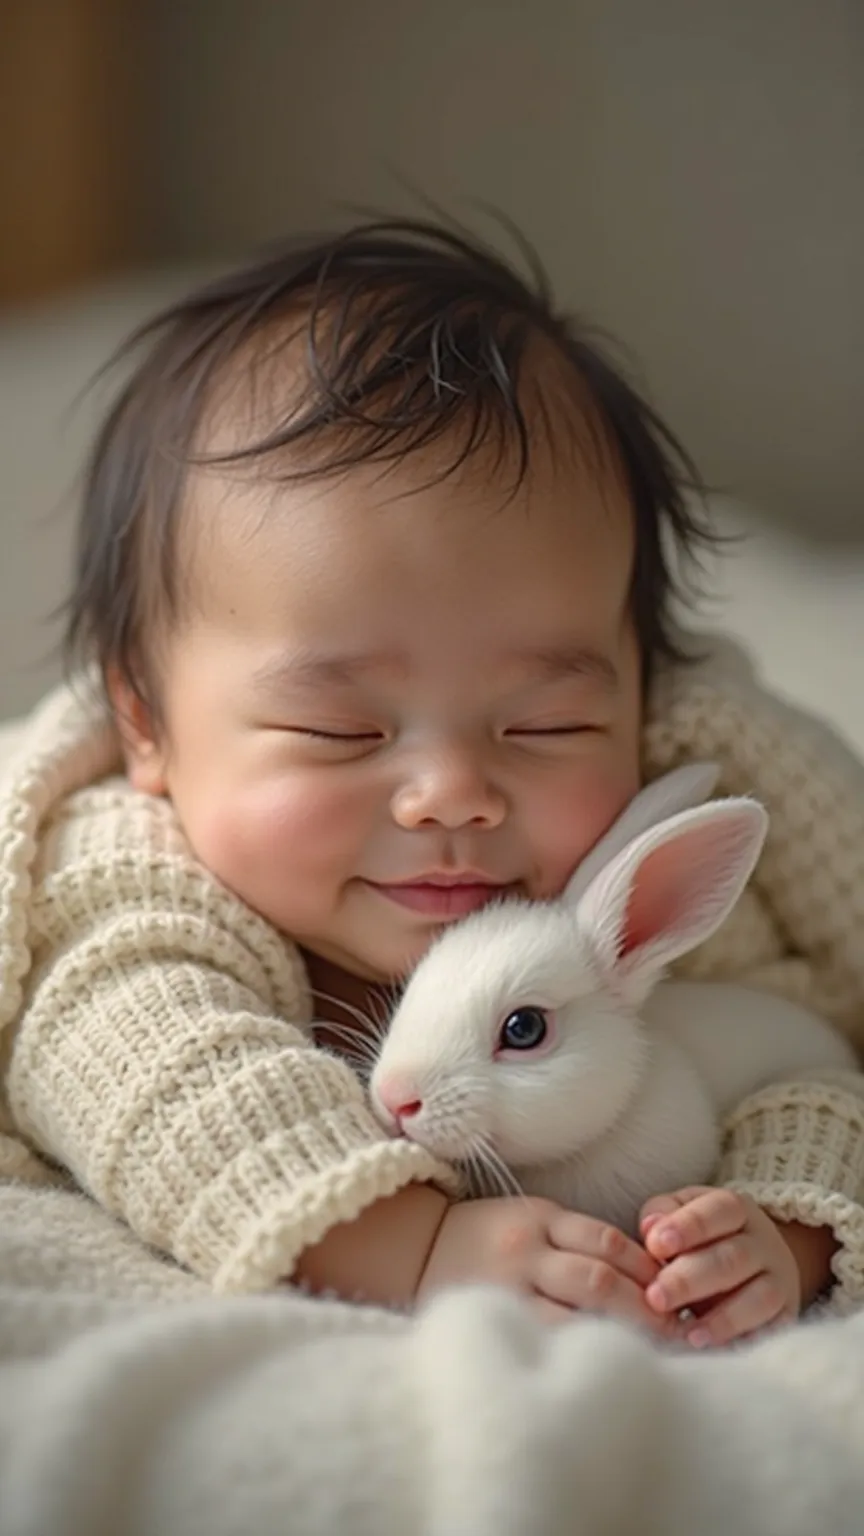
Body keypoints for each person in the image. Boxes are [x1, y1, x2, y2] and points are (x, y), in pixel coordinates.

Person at [1, 218, 863, 1357]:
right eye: (340, 727)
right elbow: (162, 1077)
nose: (452, 795)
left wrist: (782, 1228)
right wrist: (417, 1251)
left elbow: (812, 1061)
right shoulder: (130, 883)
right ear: (148, 727)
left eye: (548, 722)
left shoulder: (651, 879)